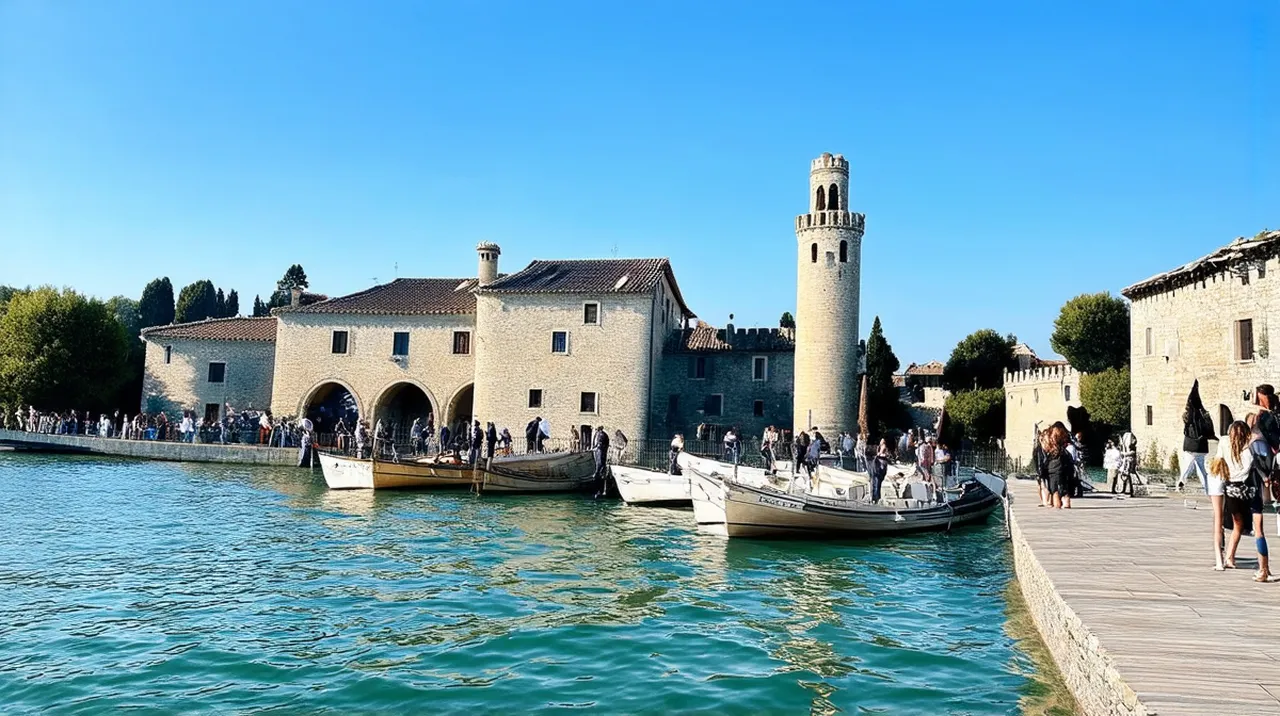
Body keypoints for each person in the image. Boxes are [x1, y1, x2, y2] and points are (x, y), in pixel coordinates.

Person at [1221, 419, 1271, 581]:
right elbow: (1259, 467)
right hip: (1250, 490)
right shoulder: (1249, 450)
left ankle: (1229, 557)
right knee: (1258, 530)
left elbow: (1217, 464)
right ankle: (1264, 569)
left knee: (1237, 524)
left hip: (1232, 491)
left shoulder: (1224, 445)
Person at [1178, 382, 1214, 492]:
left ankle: (1182, 481)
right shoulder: (1204, 414)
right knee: (1200, 467)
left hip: (1190, 444)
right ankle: (1206, 487)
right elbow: (1209, 428)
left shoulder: (1187, 415)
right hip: (1201, 444)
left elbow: (1185, 422)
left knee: (1188, 464)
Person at [1038, 424, 1075, 509]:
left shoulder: (1051, 438)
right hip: (1064, 463)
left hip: (1054, 464)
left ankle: (1057, 505)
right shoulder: (1065, 438)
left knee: (1054, 489)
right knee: (1064, 486)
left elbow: (1046, 448)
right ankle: (1066, 503)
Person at [869, 438, 891, 503]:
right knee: (876, 482)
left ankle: (876, 497)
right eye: (881, 441)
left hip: (880, 466)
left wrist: (879, 454)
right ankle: (875, 497)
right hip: (878, 466)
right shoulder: (879, 447)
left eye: (883, 441)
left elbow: (885, 455)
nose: (882, 442)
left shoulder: (883, 447)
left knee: (877, 481)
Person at [592, 425, 610, 498]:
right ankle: (598, 473)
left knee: (600, 465)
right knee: (600, 464)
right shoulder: (600, 434)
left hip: (600, 451)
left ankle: (599, 490)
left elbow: (600, 443)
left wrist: (596, 447)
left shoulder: (601, 434)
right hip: (600, 450)